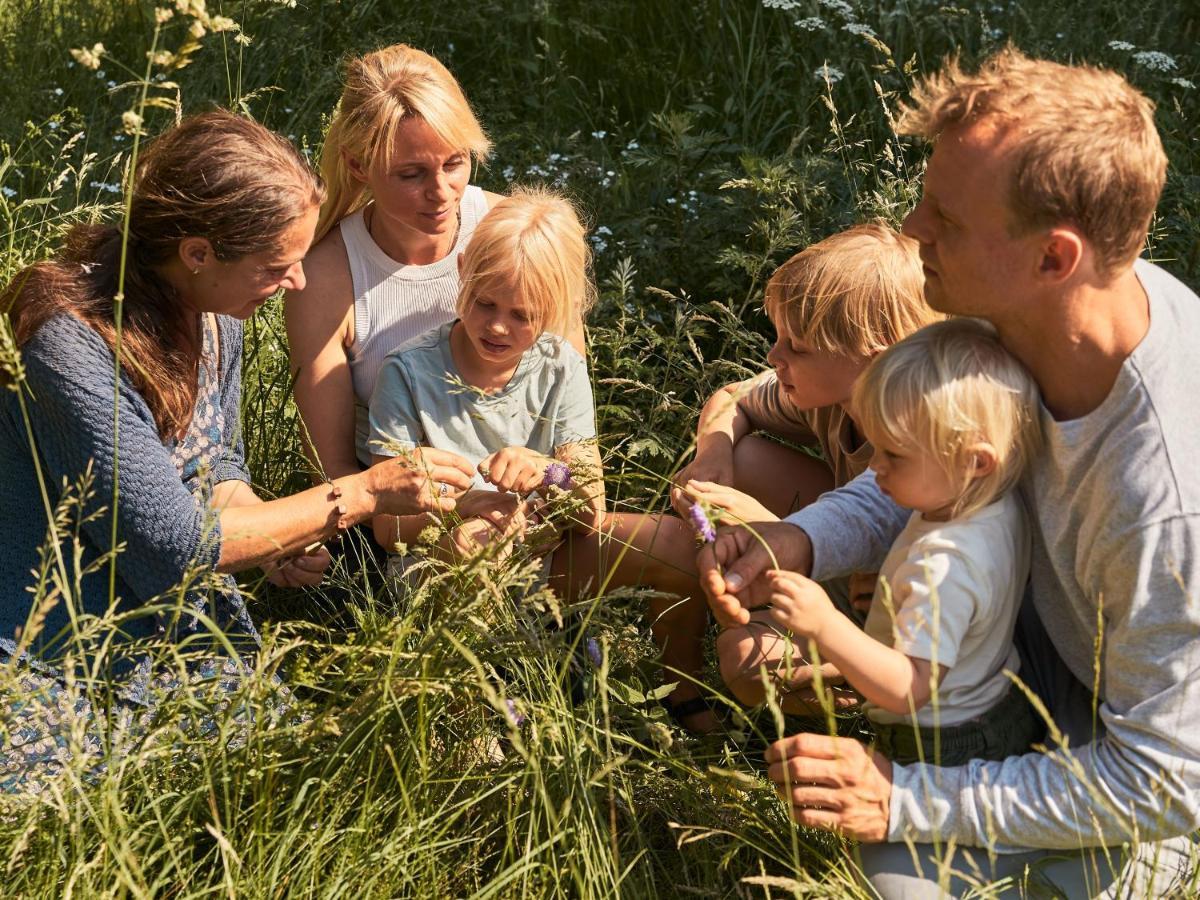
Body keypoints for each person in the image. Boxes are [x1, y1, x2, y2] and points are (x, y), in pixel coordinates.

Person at [699, 49, 1200, 896]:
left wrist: (904, 798)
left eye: (946, 219)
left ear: (1054, 257)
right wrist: (801, 540)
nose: (914, 231)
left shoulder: (1163, 500)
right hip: (1015, 665)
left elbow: (1165, 780)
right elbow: (928, 463)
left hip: (1124, 763)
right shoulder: (1015, 319)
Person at [0, 110, 476, 793]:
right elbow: (176, 541)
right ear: (198, 253)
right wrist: (358, 495)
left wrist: (276, 533)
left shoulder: (218, 312)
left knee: (283, 779)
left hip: (173, 621)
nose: (298, 284)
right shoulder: (68, 345)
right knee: (63, 801)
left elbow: (214, 462)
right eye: (276, 266)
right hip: (45, 634)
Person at [552, 223, 936, 730]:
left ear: (875, 353)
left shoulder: (931, 434)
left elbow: (935, 558)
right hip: (843, 574)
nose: (775, 358)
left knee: (758, 664)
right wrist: (713, 456)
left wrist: (766, 524)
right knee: (747, 459)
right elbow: (733, 398)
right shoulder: (829, 400)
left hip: (916, 616)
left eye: (796, 346)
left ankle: (873, 699)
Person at [285, 43, 584, 488]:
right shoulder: (326, 277)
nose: (442, 192)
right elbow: (334, 472)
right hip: (404, 521)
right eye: (411, 175)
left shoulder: (516, 236)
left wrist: (547, 489)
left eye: (455, 163)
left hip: (533, 502)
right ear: (358, 163)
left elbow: (572, 419)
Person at [761, 318, 1041, 766]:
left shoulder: (942, 564)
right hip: (992, 703)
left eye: (894, 454)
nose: (877, 468)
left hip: (939, 740)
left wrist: (823, 624)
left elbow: (907, 690)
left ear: (975, 461)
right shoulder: (992, 506)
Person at [367, 187, 603, 569]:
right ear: (463, 272)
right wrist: (462, 508)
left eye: (522, 316)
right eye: (485, 303)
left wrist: (550, 473)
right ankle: (489, 630)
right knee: (476, 543)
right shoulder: (408, 372)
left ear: (561, 309)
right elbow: (388, 525)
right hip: (443, 561)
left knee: (672, 544)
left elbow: (592, 513)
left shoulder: (562, 368)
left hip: (543, 551)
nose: (496, 326)